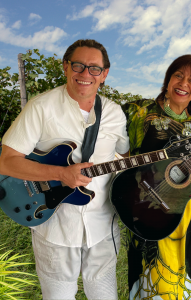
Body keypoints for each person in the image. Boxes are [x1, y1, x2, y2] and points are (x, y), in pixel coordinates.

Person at [0, 39, 130, 299]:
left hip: (103, 226)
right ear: (66, 67)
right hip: (55, 228)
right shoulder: (40, 107)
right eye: (78, 66)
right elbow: (6, 160)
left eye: (94, 68)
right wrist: (60, 174)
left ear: (104, 74)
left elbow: (124, 157)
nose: (85, 74)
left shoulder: (115, 113)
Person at [122, 54, 191, 299]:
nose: (184, 84)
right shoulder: (139, 113)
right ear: (168, 79)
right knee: (152, 283)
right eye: (178, 75)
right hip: (152, 208)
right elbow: (119, 151)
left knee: (188, 282)